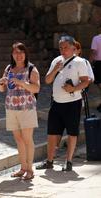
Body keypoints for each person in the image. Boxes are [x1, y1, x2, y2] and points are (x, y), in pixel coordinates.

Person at [36, 36, 89, 171]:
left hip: (72, 103)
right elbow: (47, 80)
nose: (63, 50)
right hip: (56, 102)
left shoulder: (79, 62)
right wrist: (55, 70)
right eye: (60, 47)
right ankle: (49, 161)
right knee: (52, 133)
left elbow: (86, 81)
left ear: (73, 47)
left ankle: (69, 161)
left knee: (72, 133)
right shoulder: (56, 60)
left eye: (65, 47)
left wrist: (73, 88)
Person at [0, 42, 40, 180]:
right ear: (12, 54)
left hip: (26, 108)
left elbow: (36, 89)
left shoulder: (31, 69)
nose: (18, 55)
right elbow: (1, 90)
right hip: (11, 108)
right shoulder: (9, 68)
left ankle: (30, 169)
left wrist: (20, 82)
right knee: (18, 139)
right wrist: (1, 83)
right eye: (16, 52)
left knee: (27, 139)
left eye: (21, 52)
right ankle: (22, 168)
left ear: (25, 54)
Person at [89, 25, 101, 112]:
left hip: (99, 64)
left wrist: (88, 63)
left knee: (100, 83)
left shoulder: (96, 38)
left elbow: (93, 52)